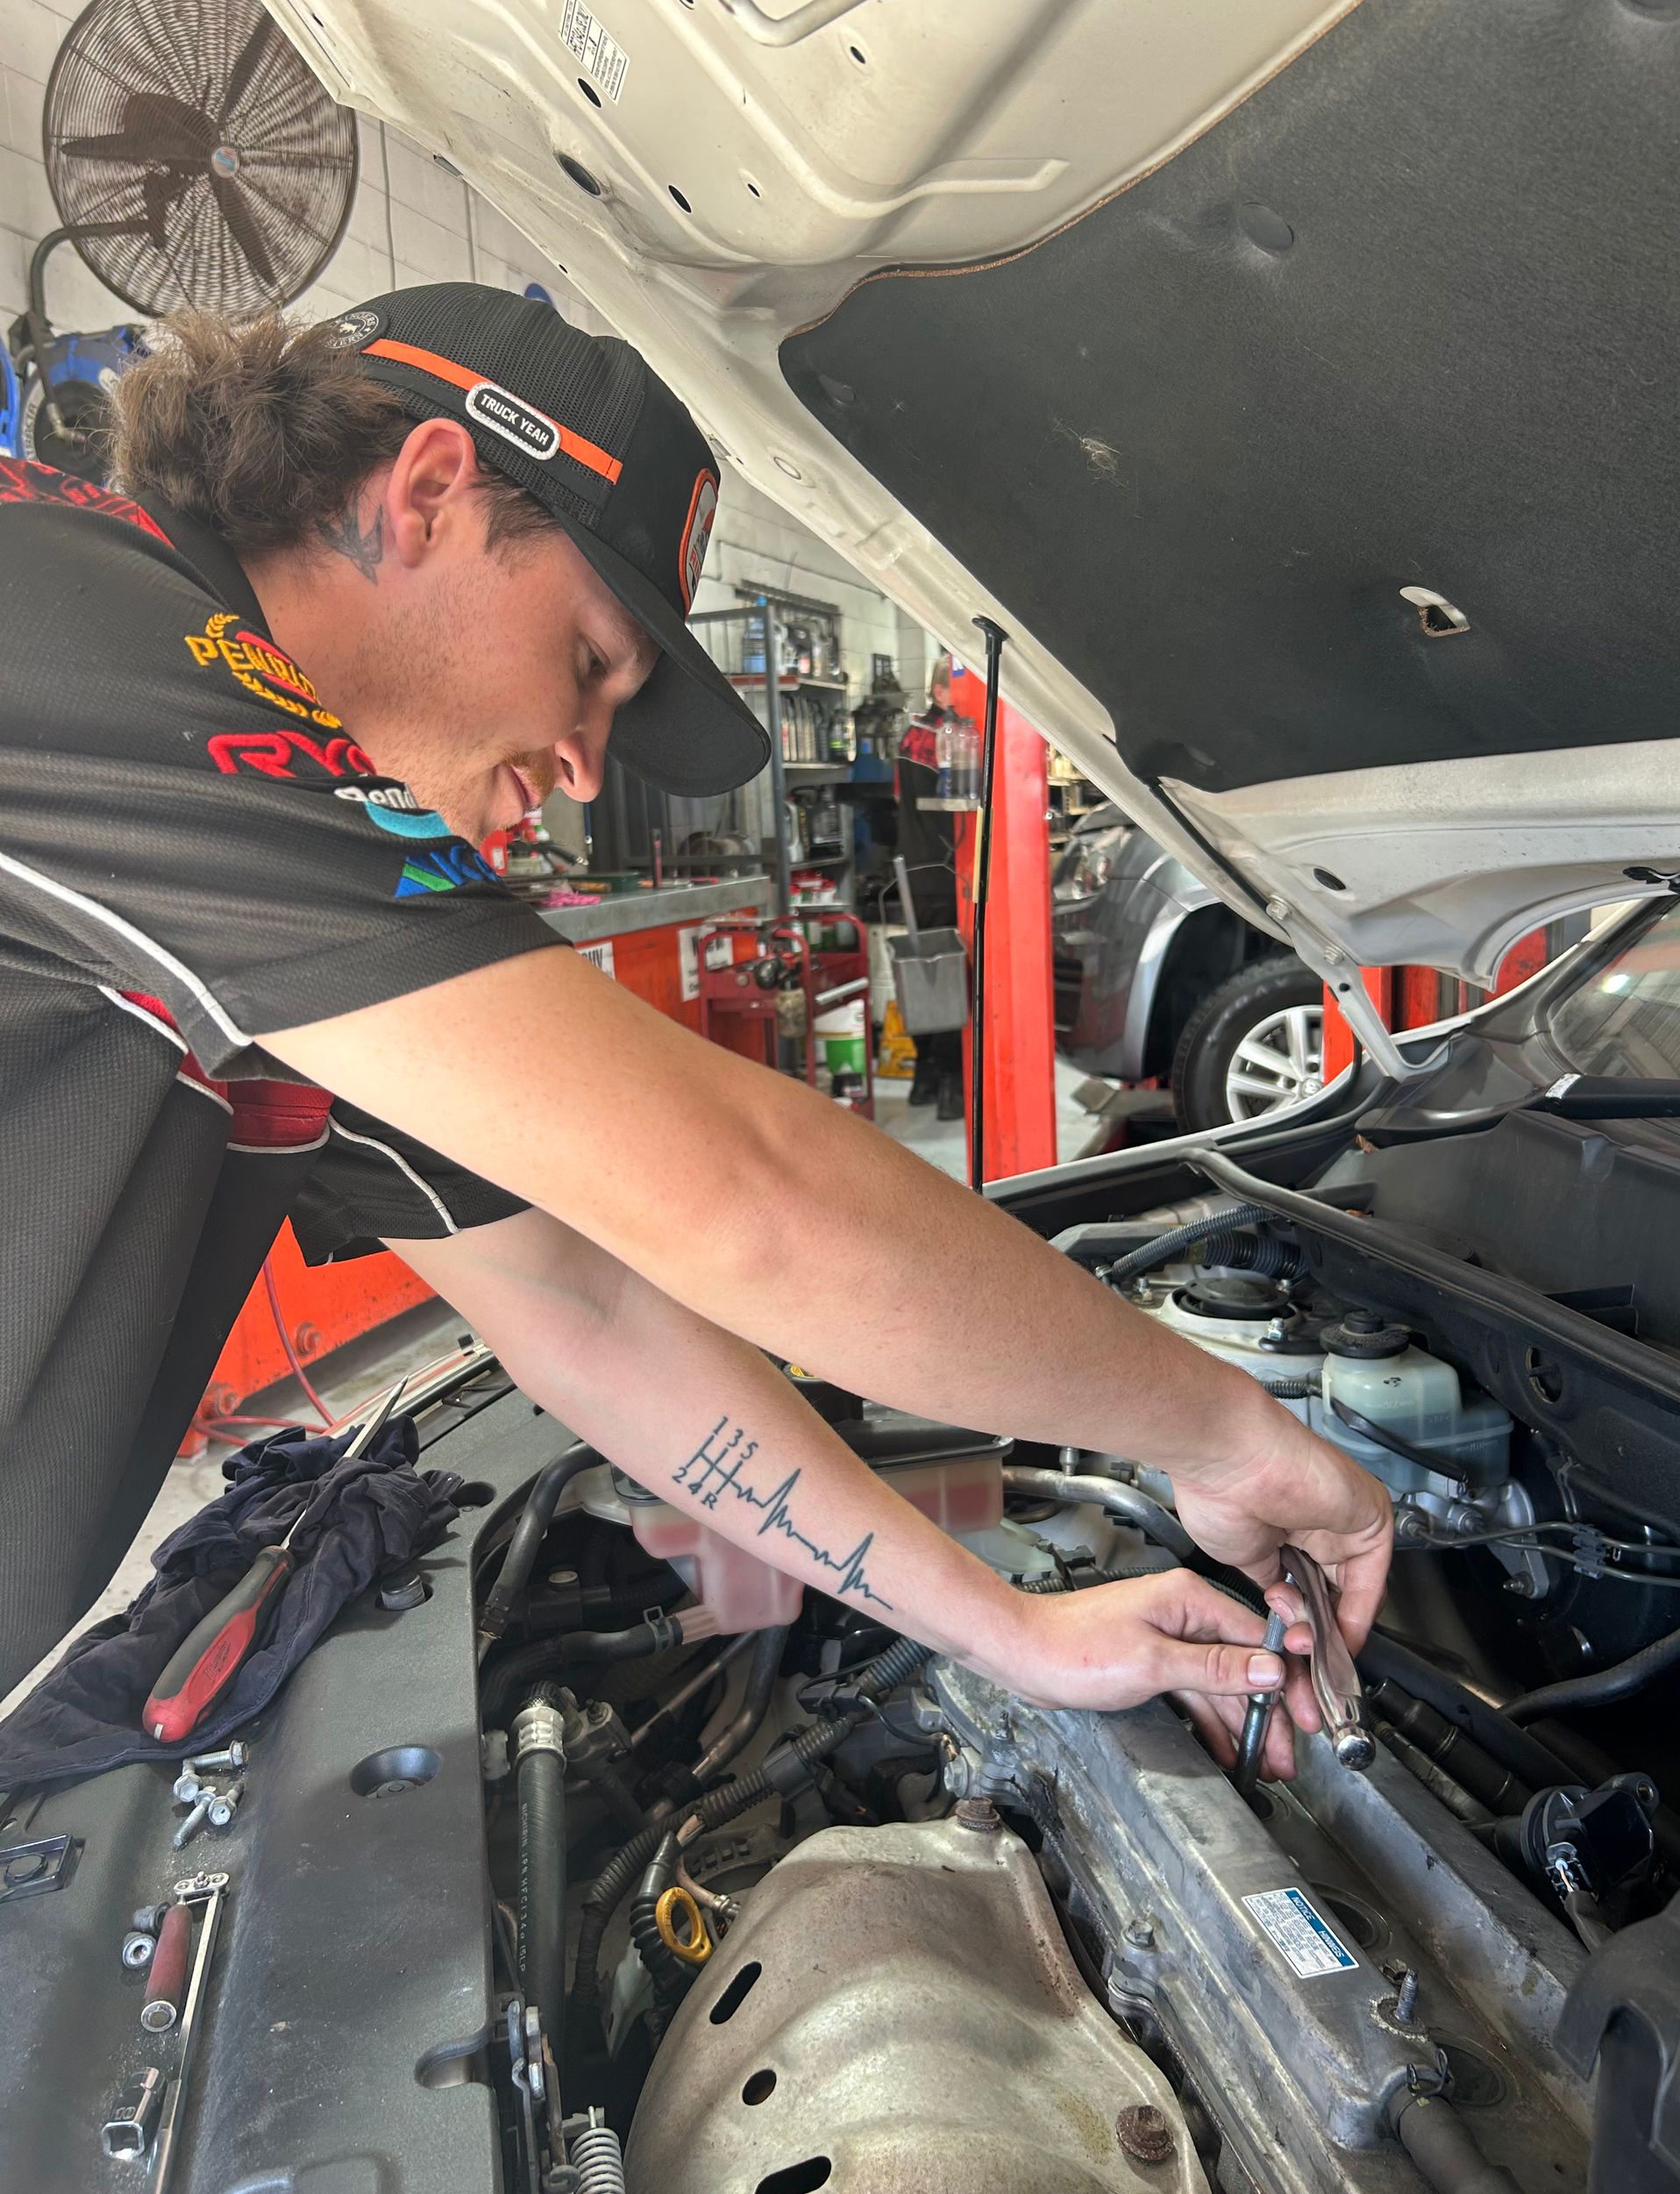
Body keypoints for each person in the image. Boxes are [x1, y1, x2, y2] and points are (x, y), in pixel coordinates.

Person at [0, 286, 1391, 1774]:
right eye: (593, 663)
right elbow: (750, 1199)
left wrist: (1017, 1630)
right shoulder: (71, 619)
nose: (590, 774)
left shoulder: (274, 927)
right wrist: (1230, 1437)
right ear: (425, 499)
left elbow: (587, 1303)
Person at [893, 657, 965, 1119]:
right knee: (949, 977)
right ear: (940, 693)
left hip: (913, 877)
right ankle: (952, 1087)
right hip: (946, 874)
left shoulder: (909, 737)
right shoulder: (945, 738)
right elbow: (954, 809)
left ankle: (923, 1079)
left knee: (919, 972)